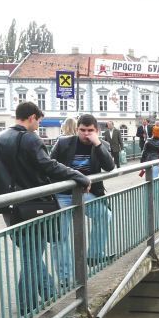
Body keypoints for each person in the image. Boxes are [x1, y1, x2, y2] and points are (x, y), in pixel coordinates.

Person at [0, 102, 90, 316]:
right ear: (32, 117)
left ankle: (49, 294)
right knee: (32, 256)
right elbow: (48, 165)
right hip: (32, 204)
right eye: (39, 120)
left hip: (9, 205)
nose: (39, 125)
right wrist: (77, 175)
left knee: (31, 252)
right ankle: (28, 306)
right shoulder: (29, 138)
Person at [50, 113, 115, 278]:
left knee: (105, 215)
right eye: (83, 130)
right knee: (61, 237)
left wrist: (98, 144)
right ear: (77, 129)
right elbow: (49, 166)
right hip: (62, 195)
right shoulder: (64, 143)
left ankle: (94, 255)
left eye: (90, 130)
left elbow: (109, 167)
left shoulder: (101, 144)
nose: (86, 134)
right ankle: (66, 277)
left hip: (86, 194)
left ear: (97, 130)